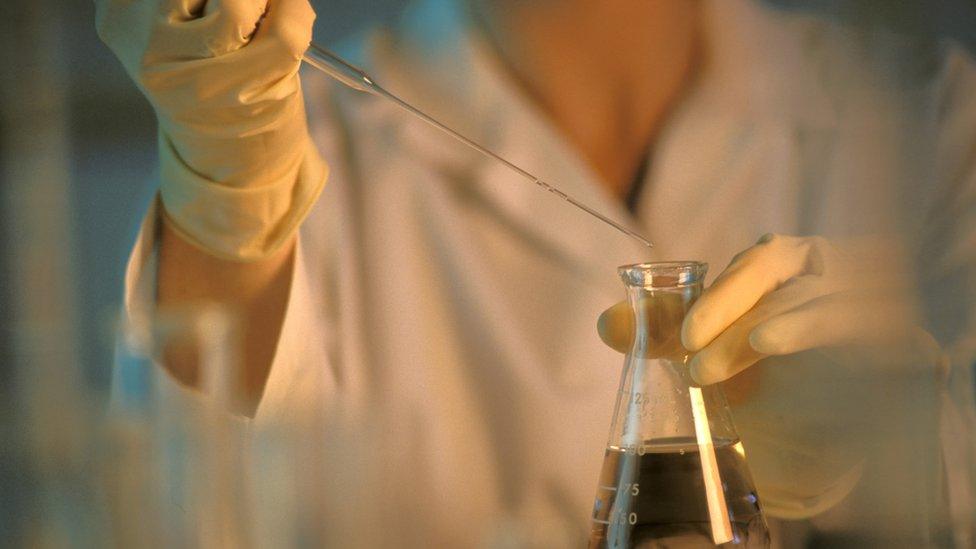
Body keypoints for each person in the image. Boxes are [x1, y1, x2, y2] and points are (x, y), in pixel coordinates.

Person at [96, 0, 976, 545]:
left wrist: (903, 461)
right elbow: (183, 519)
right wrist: (227, 202)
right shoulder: (266, 131)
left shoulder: (929, 116)